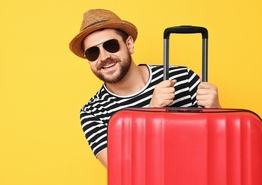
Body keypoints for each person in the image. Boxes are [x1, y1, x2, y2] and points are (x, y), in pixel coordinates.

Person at [69, 9, 221, 168]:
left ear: (129, 44)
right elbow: (119, 170)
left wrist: (217, 110)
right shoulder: (93, 112)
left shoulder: (183, 77)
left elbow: (221, 145)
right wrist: (151, 112)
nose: (104, 57)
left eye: (111, 46)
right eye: (93, 52)